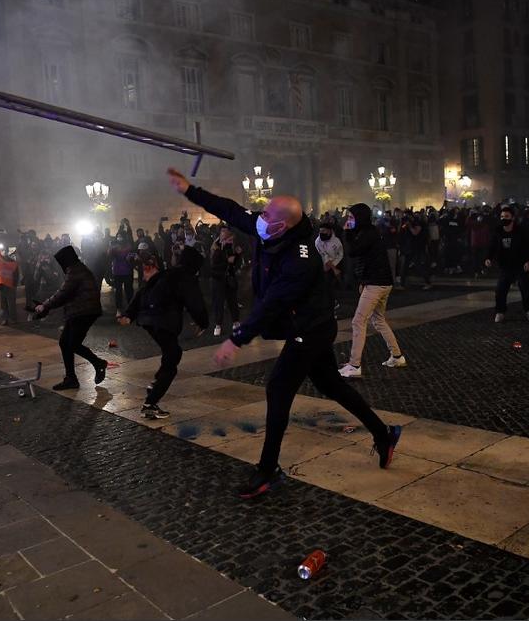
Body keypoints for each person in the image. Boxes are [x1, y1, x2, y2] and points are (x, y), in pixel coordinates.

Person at [167, 167, 402, 499]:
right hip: (304, 324)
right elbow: (229, 209)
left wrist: (236, 340)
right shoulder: (267, 227)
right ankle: (383, 434)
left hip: (311, 328)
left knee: (278, 387)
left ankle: (268, 470)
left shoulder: (300, 259)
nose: (260, 218)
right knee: (331, 384)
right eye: (262, 212)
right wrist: (190, 190)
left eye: (268, 215)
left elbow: (272, 304)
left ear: (285, 225)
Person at [119, 248, 209, 418]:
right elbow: (195, 302)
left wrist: (130, 314)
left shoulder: (168, 273)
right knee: (172, 357)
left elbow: (143, 290)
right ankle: (150, 403)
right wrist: (203, 322)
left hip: (148, 319)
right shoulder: (186, 277)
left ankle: (155, 384)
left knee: (172, 354)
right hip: (163, 320)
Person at [339, 203, 407, 378]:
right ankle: (397, 356)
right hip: (380, 282)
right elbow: (367, 258)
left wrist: (347, 232)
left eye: (352, 217)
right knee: (378, 320)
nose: (349, 220)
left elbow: (353, 251)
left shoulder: (368, 233)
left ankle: (354, 365)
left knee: (358, 321)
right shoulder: (368, 232)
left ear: (360, 217)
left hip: (376, 283)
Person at [35, 246, 108, 390]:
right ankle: (71, 378)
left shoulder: (75, 272)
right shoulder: (77, 269)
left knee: (73, 344)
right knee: (64, 342)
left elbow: (63, 293)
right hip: (79, 311)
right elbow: (65, 294)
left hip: (84, 311)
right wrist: (47, 306)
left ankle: (98, 363)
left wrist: (45, 306)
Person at [485, 206, 529, 323]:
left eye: (507, 216)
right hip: (505, 265)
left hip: (519, 264)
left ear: (513, 218)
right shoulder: (498, 231)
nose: (504, 219)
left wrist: (528, 260)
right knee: (500, 289)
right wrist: (489, 258)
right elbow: (492, 246)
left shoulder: (521, 231)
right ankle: (500, 311)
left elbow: (528, 247)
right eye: (502, 216)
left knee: (525, 287)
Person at [209, 226, 243, 337]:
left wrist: (237, 254)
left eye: (226, 231)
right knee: (219, 303)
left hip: (229, 278)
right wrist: (226, 261)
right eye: (222, 231)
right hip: (218, 279)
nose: (224, 233)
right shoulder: (216, 246)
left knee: (232, 301)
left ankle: (236, 322)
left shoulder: (231, 245)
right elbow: (214, 265)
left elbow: (236, 263)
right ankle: (218, 325)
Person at [0, 247, 19, 326]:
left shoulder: (11, 261)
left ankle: (11, 319)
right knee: (4, 304)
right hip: (1, 285)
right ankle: (6, 319)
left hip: (9, 285)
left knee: (9, 304)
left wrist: (15, 284)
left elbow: (16, 273)